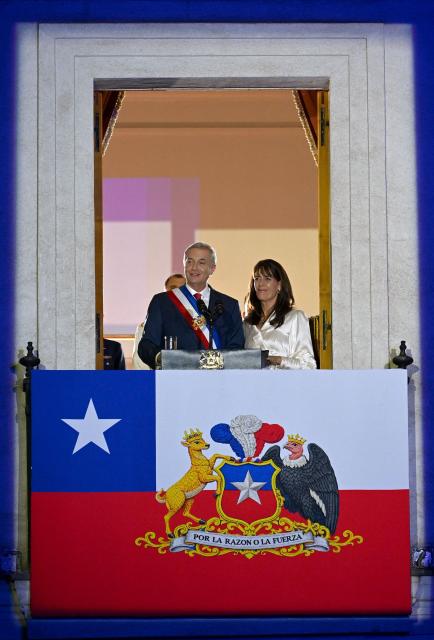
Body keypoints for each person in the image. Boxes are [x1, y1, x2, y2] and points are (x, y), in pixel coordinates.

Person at [138, 242, 244, 368]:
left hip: (218, 381)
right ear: (184, 265)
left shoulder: (229, 305)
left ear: (212, 269)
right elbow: (147, 344)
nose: (194, 268)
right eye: (190, 262)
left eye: (201, 262)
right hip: (175, 381)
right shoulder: (162, 302)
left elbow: (236, 347)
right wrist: (163, 359)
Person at [243, 259, 316, 369]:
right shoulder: (247, 324)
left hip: (284, 385)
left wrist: (278, 360)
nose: (260, 283)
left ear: (279, 285)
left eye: (267, 278)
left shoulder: (295, 318)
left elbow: (309, 365)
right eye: (257, 278)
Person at [132, 273, 186, 370]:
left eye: (182, 289)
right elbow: (140, 365)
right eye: (173, 288)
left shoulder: (197, 324)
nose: (178, 293)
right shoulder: (146, 326)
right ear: (164, 292)